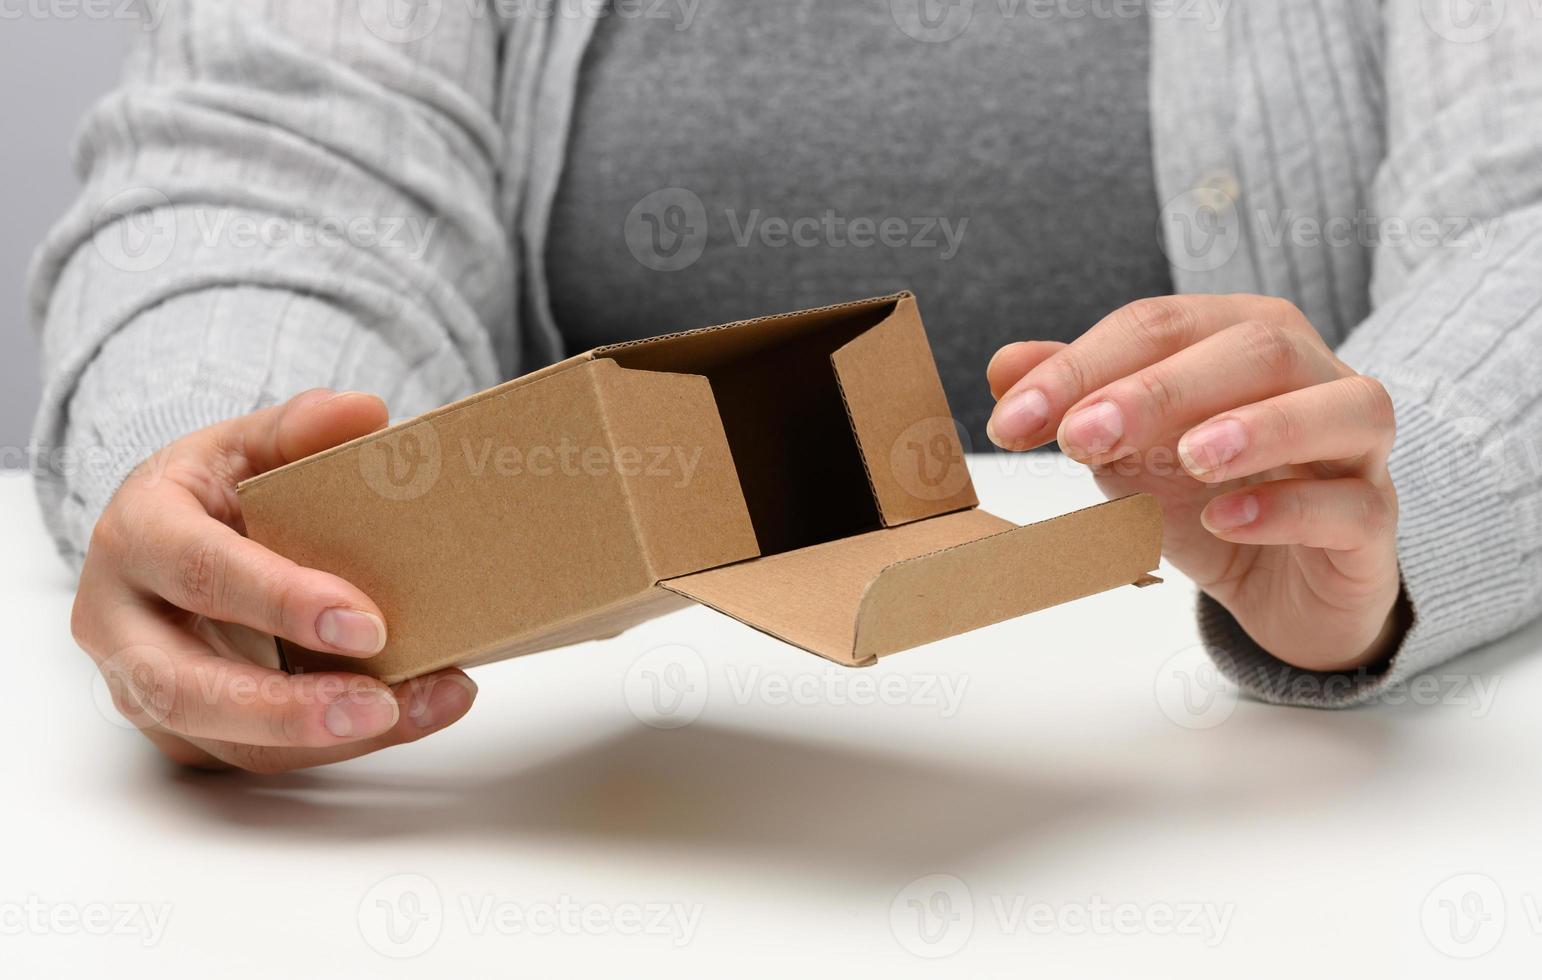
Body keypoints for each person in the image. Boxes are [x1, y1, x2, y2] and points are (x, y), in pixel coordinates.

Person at [32, 1, 1542, 772]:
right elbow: (264, 162)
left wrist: (1387, 509)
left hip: (1247, 789)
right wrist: (258, 506)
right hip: (562, 793)